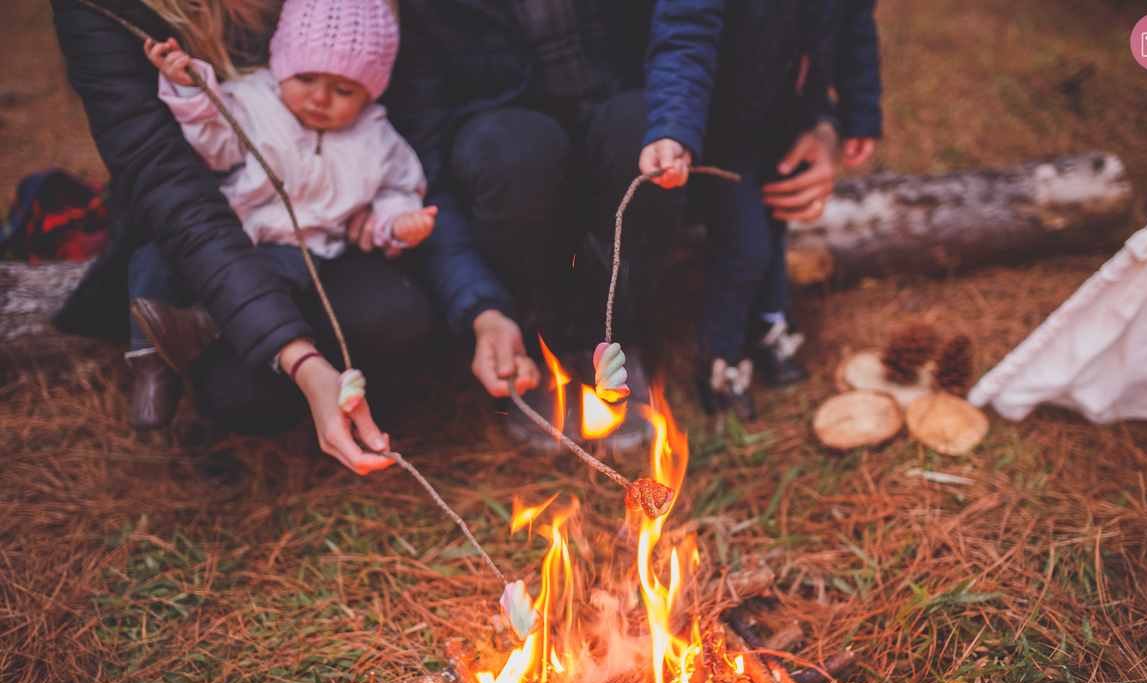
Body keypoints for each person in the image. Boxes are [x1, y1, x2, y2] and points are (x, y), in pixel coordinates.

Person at [52, 0, 432, 474]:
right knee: (148, 262)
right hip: (229, 232)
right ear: (283, 66)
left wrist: (398, 222)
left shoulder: (376, 137)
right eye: (306, 79)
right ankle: (152, 364)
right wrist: (192, 92)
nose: (319, 98)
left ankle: (201, 325)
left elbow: (397, 188)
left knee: (287, 268)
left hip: (298, 246)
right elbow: (213, 143)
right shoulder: (254, 100)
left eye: (343, 89)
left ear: (371, 91)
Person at [375, 0, 685, 448]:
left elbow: (690, 43)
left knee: (642, 123)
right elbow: (426, 179)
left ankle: (616, 339)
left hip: (618, 136)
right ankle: (540, 346)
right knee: (514, 149)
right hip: (508, 169)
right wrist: (482, 307)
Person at [639, 0, 883, 419]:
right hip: (727, 136)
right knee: (745, 250)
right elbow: (685, 36)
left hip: (790, 124)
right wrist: (674, 127)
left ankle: (768, 326)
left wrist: (860, 113)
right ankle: (719, 359)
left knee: (774, 233)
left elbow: (855, 32)